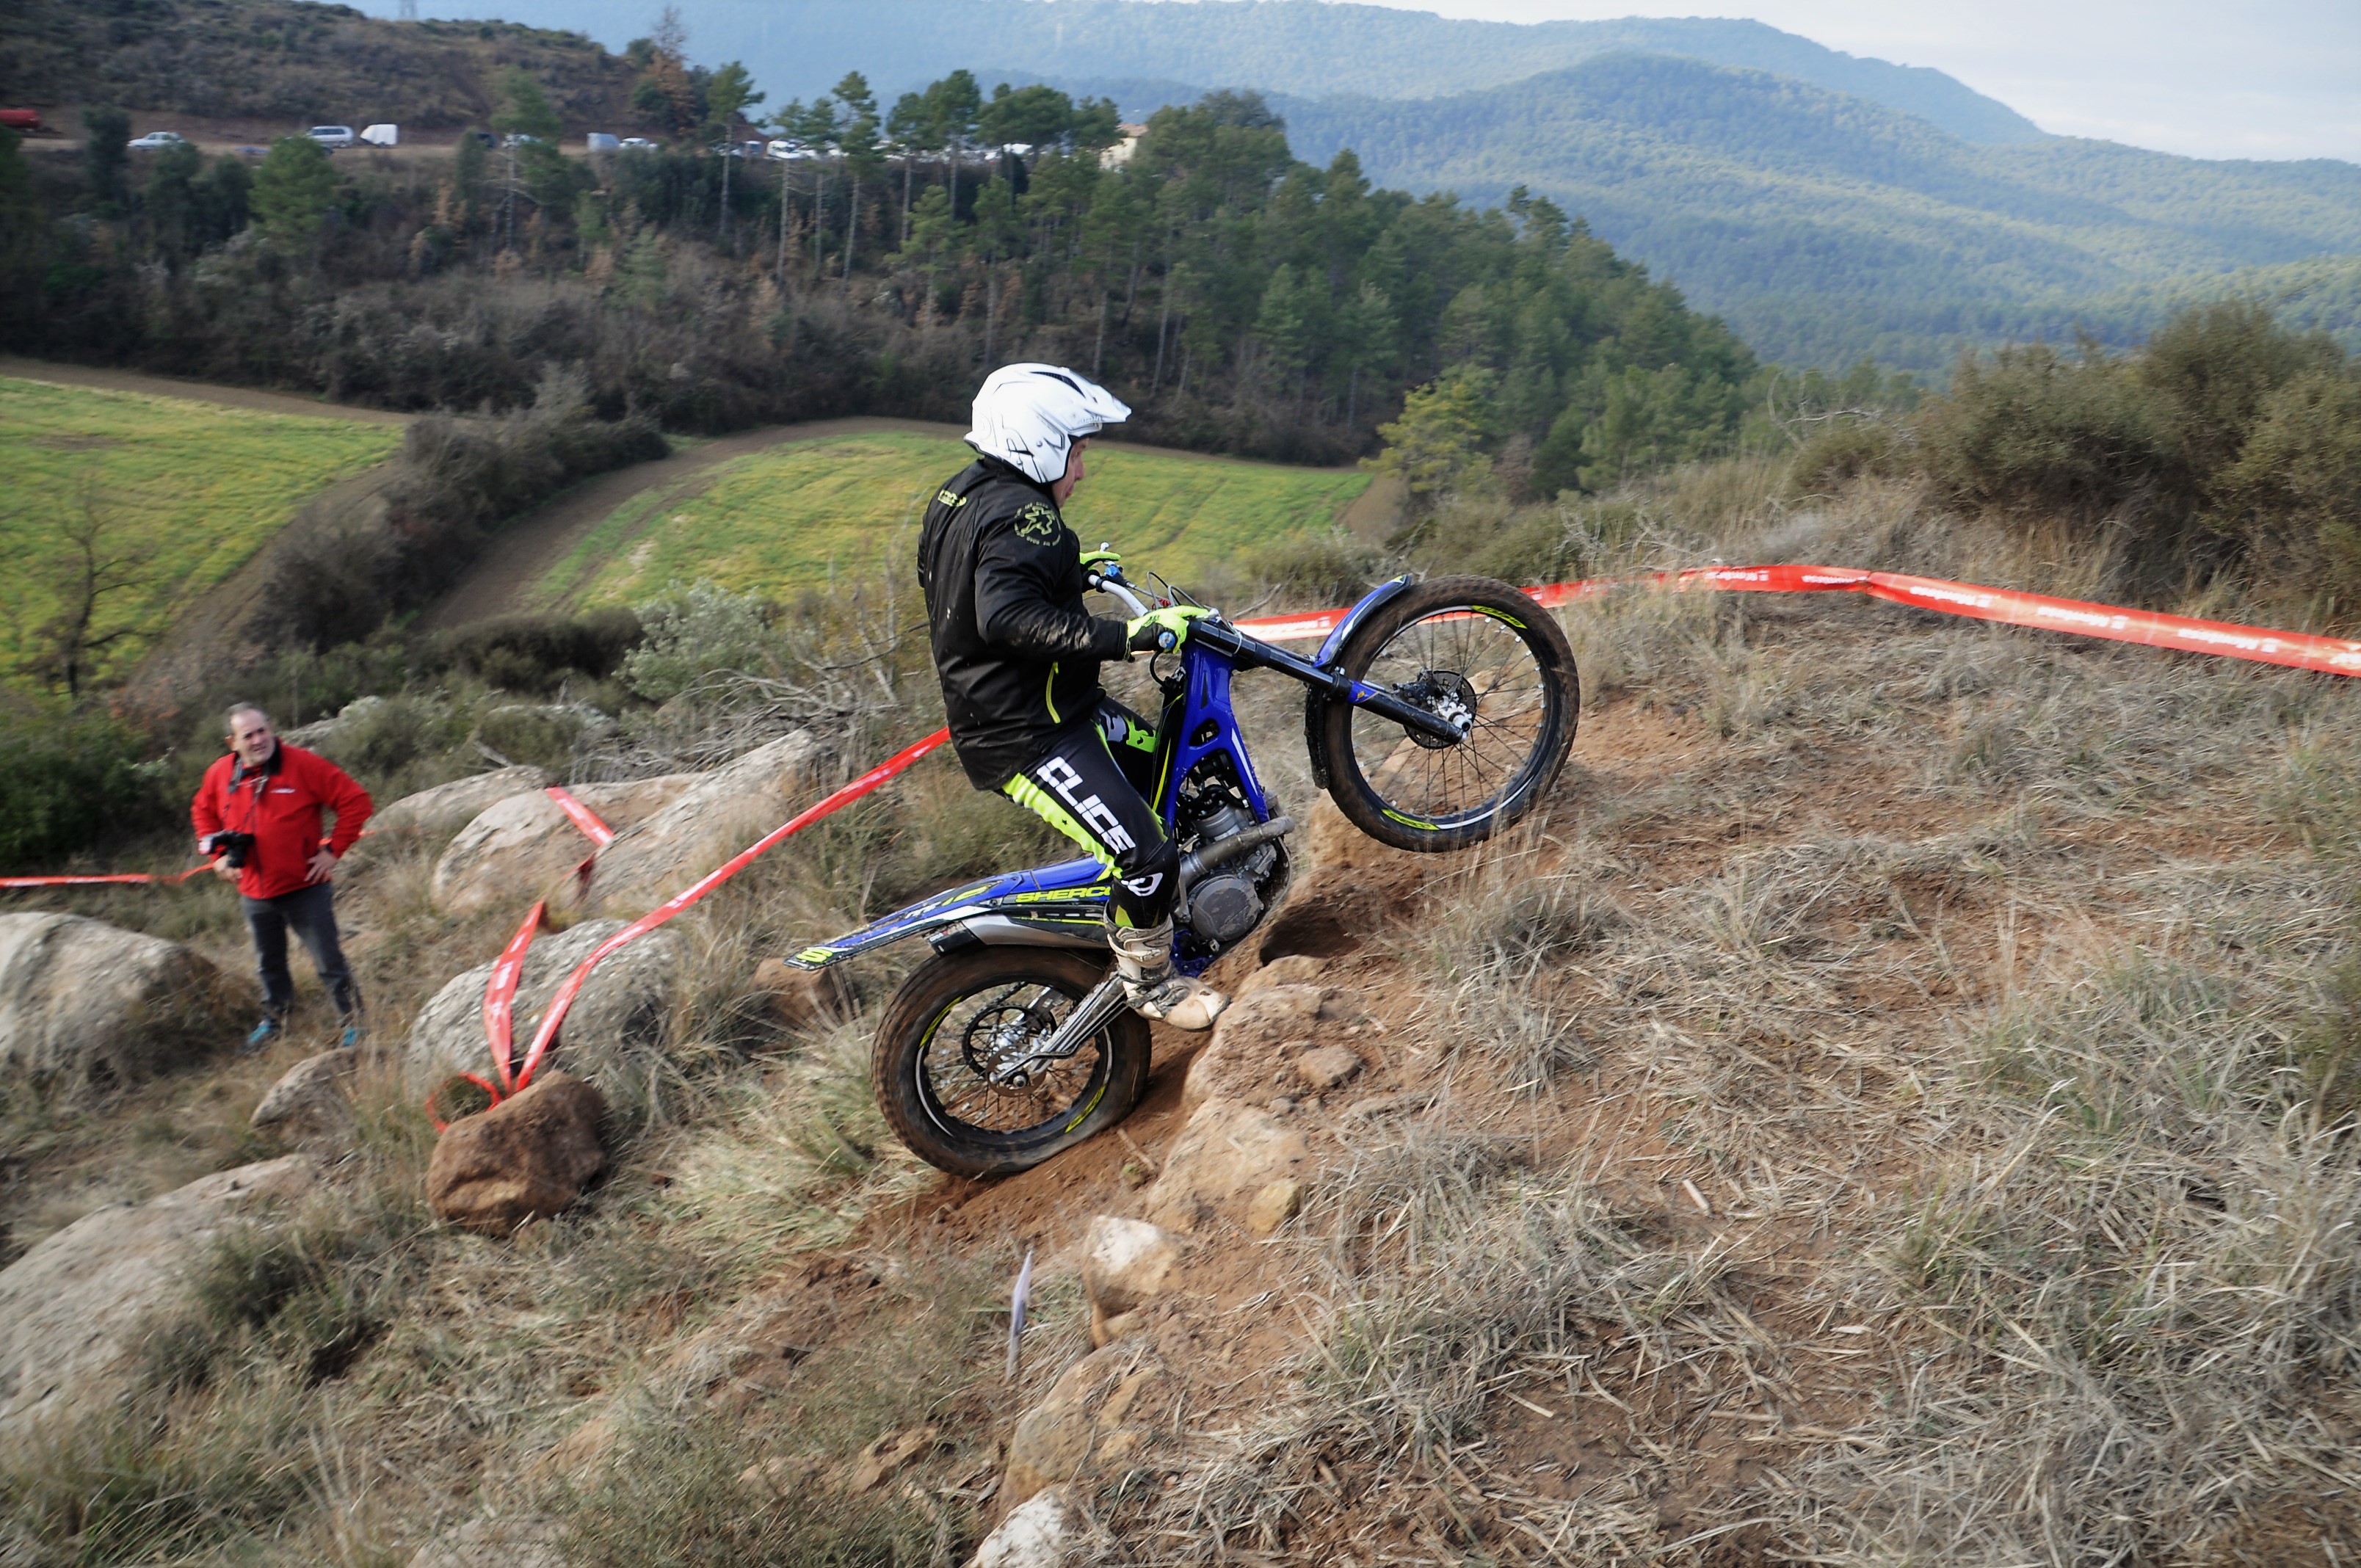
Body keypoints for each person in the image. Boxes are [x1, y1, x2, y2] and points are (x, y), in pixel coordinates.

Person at [917, 363, 1227, 1030]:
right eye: (1078, 451)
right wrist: (1130, 636)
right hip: (1027, 738)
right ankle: (1151, 982)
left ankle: (1168, 909)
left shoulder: (961, 493)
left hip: (1054, 712)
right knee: (1146, 855)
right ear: (1040, 443)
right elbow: (1005, 618)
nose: (1082, 471)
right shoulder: (1024, 514)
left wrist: (1067, 573)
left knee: (1177, 780)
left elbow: (965, 579)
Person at [192, 703, 374, 1051]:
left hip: (305, 887)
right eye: (248, 735)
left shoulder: (303, 765)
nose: (259, 740)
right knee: (268, 964)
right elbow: (201, 811)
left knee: (329, 962)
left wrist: (333, 851)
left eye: (263, 731)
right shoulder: (220, 773)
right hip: (253, 891)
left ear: (272, 728)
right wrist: (217, 857)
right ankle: (275, 1021)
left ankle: (355, 1025)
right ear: (232, 742)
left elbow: (357, 802)